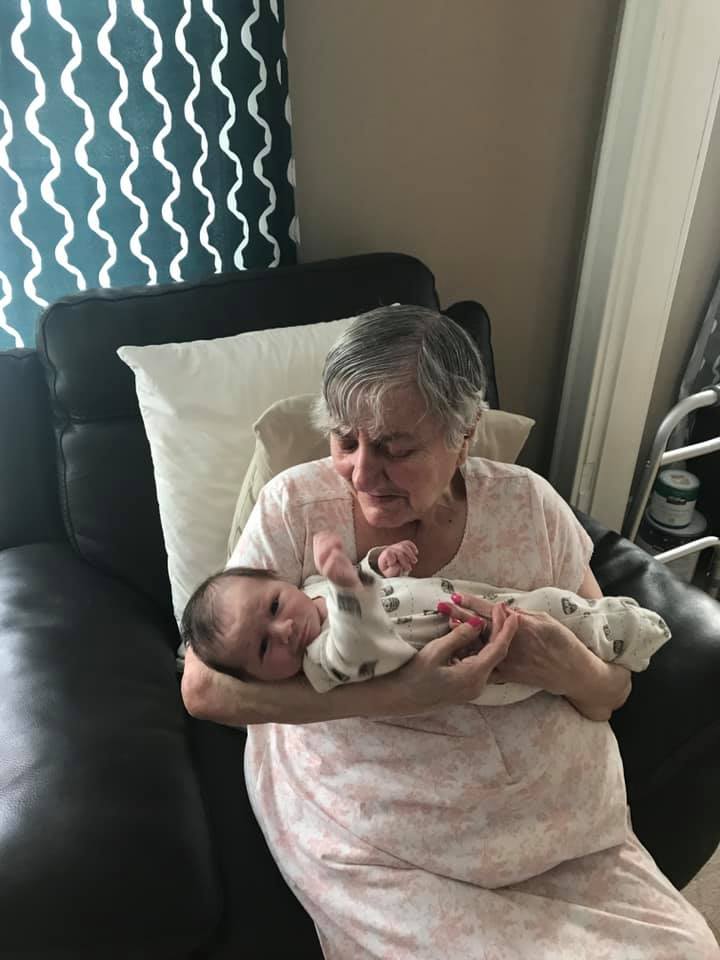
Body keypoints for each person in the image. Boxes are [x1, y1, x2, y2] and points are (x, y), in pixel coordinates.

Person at [182, 305, 719, 958]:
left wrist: (565, 667)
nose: (360, 472)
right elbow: (204, 688)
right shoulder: (297, 508)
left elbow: (610, 690)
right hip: (386, 844)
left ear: (464, 433)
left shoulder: (528, 507)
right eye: (345, 440)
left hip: (564, 830)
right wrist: (400, 694)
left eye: (395, 448)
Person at [181, 532, 670, 705]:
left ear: (275, 577)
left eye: (272, 607)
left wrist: (378, 562)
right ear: (256, 677)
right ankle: (632, 639)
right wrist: (351, 588)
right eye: (263, 649)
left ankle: (615, 621)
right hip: (489, 662)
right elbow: (360, 643)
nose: (284, 630)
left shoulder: (312, 586)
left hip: (472, 599)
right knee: (560, 628)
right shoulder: (319, 666)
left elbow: (364, 576)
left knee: (548, 601)